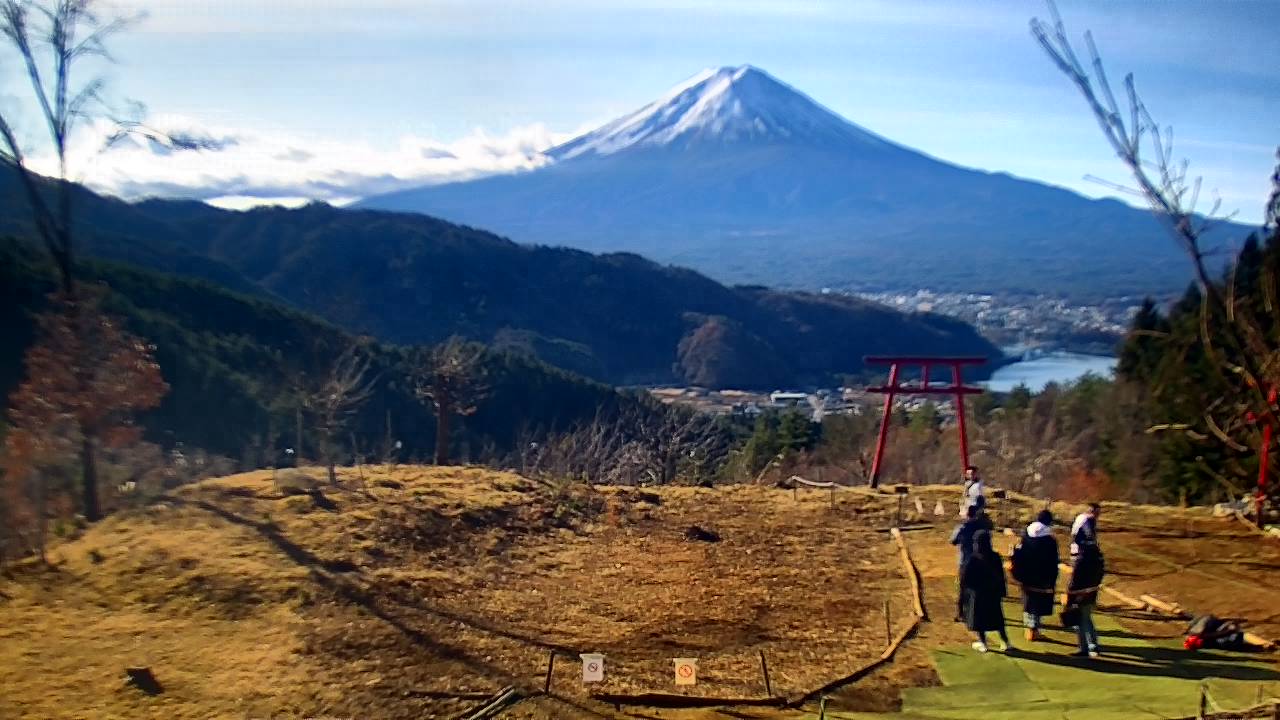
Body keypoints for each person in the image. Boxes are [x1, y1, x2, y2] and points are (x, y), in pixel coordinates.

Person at [1010, 509, 1059, 641]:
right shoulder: (1050, 540)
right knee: (1039, 602)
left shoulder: (1026, 534)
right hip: (1043, 577)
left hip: (1027, 574)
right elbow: (1053, 561)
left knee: (1028, 600)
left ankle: (1029, 627)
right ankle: (1034, 629)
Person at [961, 529, 1010, 652]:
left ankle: (983, 643)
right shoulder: (995, 556)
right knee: (997, 618)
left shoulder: (972, 559)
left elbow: (965, 578)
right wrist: (1002, 591)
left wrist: (967, 592)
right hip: (993, 593)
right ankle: (1005, 642)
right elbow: (1001, 576)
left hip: (978, 594)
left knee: (979, 620)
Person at [1065, 508, 1105, 658]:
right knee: (1086, 617)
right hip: (1091, 591)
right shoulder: (1098, 556)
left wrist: (1070, 595)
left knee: (1082, 619)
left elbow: (1075, 580)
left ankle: (1087, 648)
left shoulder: (1082, 558)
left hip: (1080, 593)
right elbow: (1100, 574)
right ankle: (1091, 646)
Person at [950, 501, 994, 619]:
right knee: (979, 586)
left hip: (964, 561)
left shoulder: (962, 527)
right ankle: (976, 611)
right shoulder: (982, 526)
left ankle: (960, 613)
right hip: (981, 560)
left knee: (963, 587)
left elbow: (953, 541)